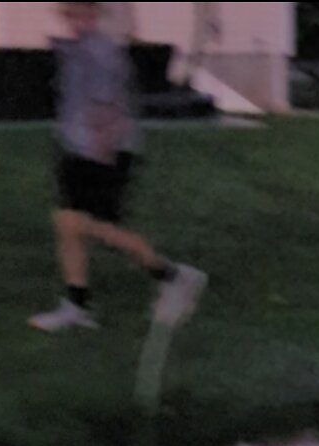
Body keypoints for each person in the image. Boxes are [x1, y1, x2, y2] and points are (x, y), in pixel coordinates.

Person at [30, 2, 206, 334]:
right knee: (69, 225)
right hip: (77, 148)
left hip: (101, 153)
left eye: (81, 14)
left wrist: (103, 152)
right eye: (69, 15)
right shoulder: (79, 48)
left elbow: (108, 107)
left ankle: (174, 276)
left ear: (94, 15)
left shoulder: (101, 52)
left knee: (89, 226)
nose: (75, 21)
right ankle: (77, 305)